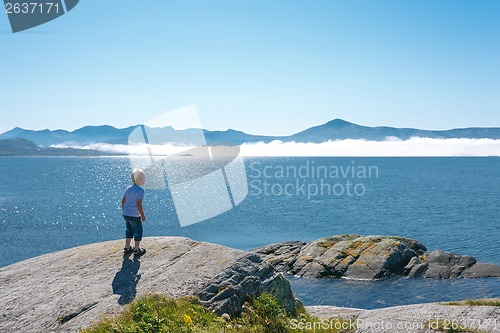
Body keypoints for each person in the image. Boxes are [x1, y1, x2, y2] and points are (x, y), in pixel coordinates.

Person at [122, 169, 147, 255]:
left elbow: (123, 200)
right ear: (139, 179)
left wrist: (124, 210)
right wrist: (142, 215)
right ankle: (137, 249)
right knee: (138, 231)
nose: (145, 180)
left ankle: (127, 247)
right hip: (134, 215)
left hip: (126, 214)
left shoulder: (128, 189)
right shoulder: (140, 191)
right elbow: (138, 204)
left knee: (129, 230)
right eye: (143, 178)